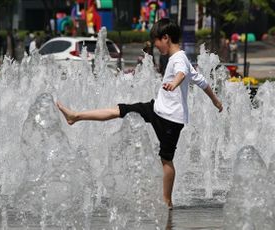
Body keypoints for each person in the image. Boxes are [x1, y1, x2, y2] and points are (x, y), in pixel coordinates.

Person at [56, 18, 223, 209]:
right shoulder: (181, 58)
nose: (156, 46)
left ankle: (167, 201)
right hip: (157, 109)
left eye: (157, 42)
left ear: (166, 38)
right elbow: (202, 82)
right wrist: (216, 100)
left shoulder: (179, 59)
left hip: (170, 119)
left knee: (166, 159)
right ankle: (76, 116)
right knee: (120, 110)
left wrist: (174, 83)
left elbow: (181, 74)